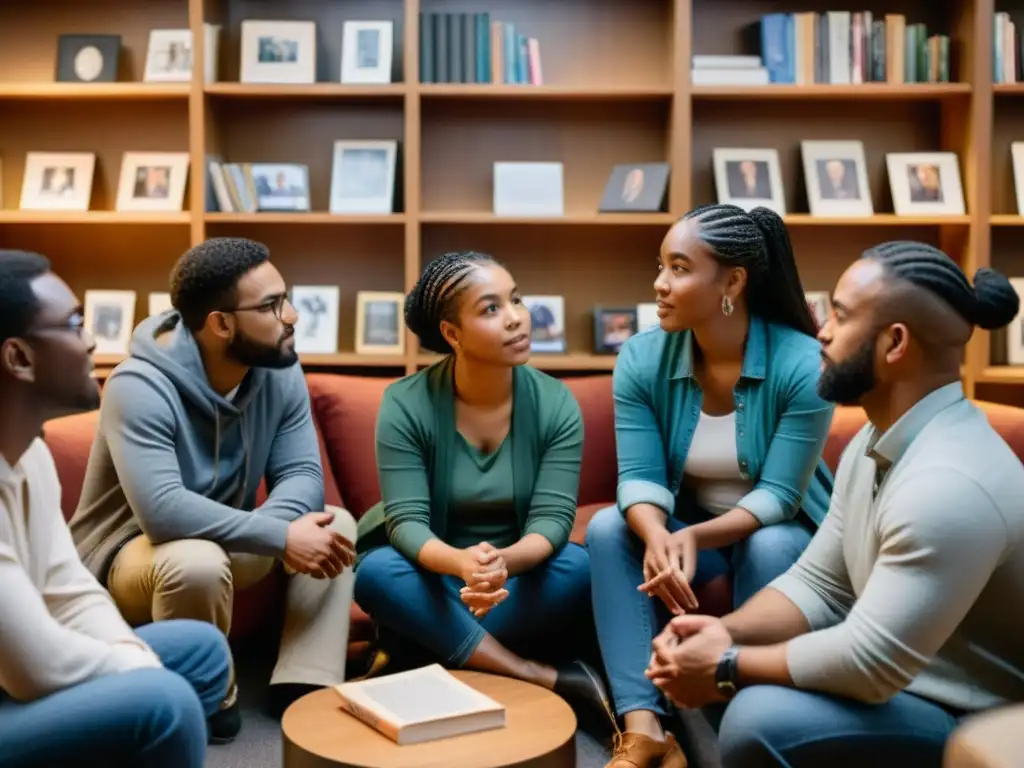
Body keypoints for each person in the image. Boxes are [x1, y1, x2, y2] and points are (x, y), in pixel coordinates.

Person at [646, 241, 1024, 768]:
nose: (821, 331)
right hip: (909, 684)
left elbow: (871, 662)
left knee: (756, 716)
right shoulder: (879, 440)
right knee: (721, 687)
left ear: (894, 343)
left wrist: (728, 664)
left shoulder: (949, 482)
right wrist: (723, 632)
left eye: (840, 316)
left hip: (976, 718)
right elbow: (820, 584)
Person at [68, 237, 358, 738]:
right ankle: (208, 694)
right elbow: (163, 513)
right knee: (195, 558)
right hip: (131, 559)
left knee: (336, 524)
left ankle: (302, 684)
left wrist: (279, 531)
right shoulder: (136, 385)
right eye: (271, 306)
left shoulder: (277, 365)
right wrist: (283, 537)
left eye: (284, 298)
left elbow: (303, 476)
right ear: (221, 324)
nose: (291, 316)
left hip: (226, 538)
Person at [587, 203, 835, 767]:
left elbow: (780, 495)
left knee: (772, 543)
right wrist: (656, 535)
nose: (659, 284)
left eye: (678, 268)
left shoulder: (803, 362)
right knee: (608, 529)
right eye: (660, 266)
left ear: (732, 281)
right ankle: (645, 728)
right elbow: (641, 477)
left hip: (783, 529)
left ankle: (750, 713)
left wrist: (693, 541)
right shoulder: (642, 356)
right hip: (693, 524)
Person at [352, 251, 611, 725]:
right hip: (434, 572)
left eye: (516, 300)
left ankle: (426, 646)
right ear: (452, 334)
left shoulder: (556, 404)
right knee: (375, 574)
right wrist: (463, 565)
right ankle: (533, 673)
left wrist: (501, 566)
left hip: (515, 577)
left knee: (578, 569)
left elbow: (552, 521)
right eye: (491, 309)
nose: (516, 318)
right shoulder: (405, 404)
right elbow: (406, 522)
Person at [0, 250, 231, 768]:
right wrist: (144, 673)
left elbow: (69, 592)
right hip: (15, 677)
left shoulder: (28, 452)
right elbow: (34, 667)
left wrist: (134, 660)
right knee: (164, 703)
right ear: (18, 358)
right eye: (74, 322)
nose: (91, 339)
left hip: (15, 674)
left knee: (201, 649)